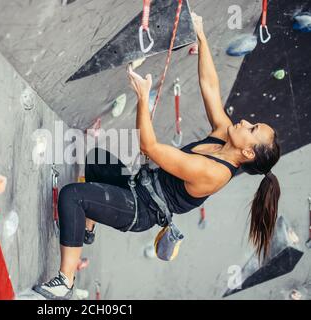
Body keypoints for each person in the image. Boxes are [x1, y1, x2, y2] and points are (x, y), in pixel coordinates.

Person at [32, 13, 281, 300]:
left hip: (142, 208)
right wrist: (201, 35)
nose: (246, 121)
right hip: (139, 184)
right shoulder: (225, 133)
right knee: (97, 158)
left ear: (248, 152)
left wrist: (142, 97)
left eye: (253, 128)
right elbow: (210, 86)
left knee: (72, 196)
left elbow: (149, 147)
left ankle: (66, 280)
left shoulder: (215, 173)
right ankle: (86, 227)